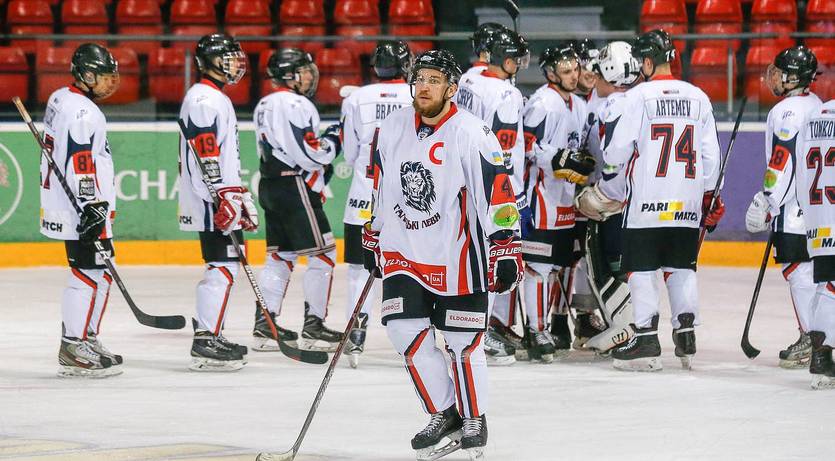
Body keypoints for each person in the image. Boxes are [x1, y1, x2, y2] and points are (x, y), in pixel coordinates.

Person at [363, 49, 523, 461]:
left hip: (458, 256)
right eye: (420, 79)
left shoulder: (472, 131)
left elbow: (498, 191)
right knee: (403, 331)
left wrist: (505, 246)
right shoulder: (392, 127)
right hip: (403, 252)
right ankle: (445, 411)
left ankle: (474, 418)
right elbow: (380, 186)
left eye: (434, 80)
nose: (425, 86)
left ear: (452, 89)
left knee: (462, 344)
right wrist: (373, 232)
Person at [603, 29, 725, 371]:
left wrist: (611, 162)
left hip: (646, 202)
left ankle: (645, 338)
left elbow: (616, 152)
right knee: (681, 266)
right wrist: (709, 195)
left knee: (640, 268)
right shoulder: (698, 97)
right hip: (686, 205)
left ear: (646, 62)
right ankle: (686, 334)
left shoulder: (637, 97)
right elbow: (711, 157)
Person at [253, 48, 343, 352]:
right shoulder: (296, 103)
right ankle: (314, 327)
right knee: (323, 255)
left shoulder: (264, 103)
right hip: (295, 185)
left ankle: (265, 326)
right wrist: (334, 140)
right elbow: (311, 153)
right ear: (290, 75)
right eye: (303, 71)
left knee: (280, 256)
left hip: (270, 183)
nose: (309, 76)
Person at [41, 43, 121, 378]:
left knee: (101, 270)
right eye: (104, 76)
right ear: (86, 75)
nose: (111, 82)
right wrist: (91, 206)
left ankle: (86, 337)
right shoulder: (83, 112)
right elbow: (81, 161)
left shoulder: (61, 98)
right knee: (87, 272)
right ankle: (73, 346)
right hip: (81, 206)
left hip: (70, 200)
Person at [178, 34, 255, 372]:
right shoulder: (204, 99)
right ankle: (206, 339)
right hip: (210, 198)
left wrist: (237, 194)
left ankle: (212, 333)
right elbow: (204, 154)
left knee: (225, 264)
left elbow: (219, 156)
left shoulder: (212, 97)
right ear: (210, 61)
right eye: (229, 57)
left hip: (217, 195)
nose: (236, 63)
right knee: (222, 265)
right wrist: (222, 197)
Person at [745, 46, 823, 369]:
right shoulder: (818, 104)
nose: (773, 78)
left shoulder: (786, 111)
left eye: (778, 72)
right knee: (819, 274)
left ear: (792, 77)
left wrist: (769, 199)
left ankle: (814, 339)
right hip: (820, 206)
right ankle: (822, 335)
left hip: (795, 208)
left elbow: (783, 160)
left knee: (797, 269)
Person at [456, 27, 529, 365]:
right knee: (496, 255)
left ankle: (475, 327)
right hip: (493, 183)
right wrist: (516, 195)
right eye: (515, 59)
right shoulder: (507, 94)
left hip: (463, 178)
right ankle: (481, 333)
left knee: (472, 255)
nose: (519, 64)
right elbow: (505, 152)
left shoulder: (468, 79)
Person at [340, 40, 413, 367]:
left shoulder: (356, 98)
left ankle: (355, 335)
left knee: (358, 270)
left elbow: (349, 154)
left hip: (362, 199)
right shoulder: (416, 95)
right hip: (406, 200)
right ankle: (411, 338)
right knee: (409, 269)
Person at [521, 45, 595, 362]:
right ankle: (535, 331)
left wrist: (581, 161)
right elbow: (524, 146)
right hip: (541, 198)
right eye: (566, 71)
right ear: (551, 73)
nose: (574, 76)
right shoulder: (541, 104)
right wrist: (556, 158)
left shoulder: (577, 104)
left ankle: (556, 325)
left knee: (561, 264)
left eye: (575, 69)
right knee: (539, 267)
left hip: (566, 198)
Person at [574, 40, 643, 353]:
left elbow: (615, 159)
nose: (595, 79)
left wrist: (604, 194)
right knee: (624, 265)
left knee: (606, 262)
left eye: (600, 74)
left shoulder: (614, 106)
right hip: (638, 198)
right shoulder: (638, 100)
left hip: (618, 199)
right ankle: (633, 325)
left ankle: (625, 327)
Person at [795, 98, 835, 389]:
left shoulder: (813, 115)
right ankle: (821, 354)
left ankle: (821, 355)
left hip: (819, 215)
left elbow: (799, 174)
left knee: (827, 282)